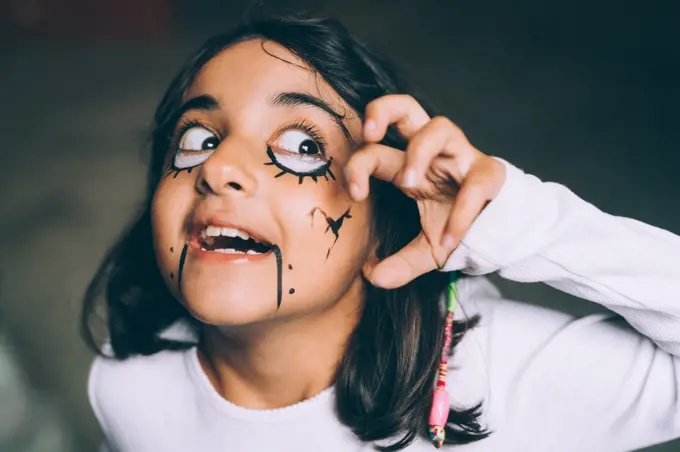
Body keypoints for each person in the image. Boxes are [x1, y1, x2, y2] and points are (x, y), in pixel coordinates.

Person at [81, 16, 680, 452]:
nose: (218, 168)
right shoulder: (126, 384)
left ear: (384, 219)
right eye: (197, 141)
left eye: (303, 146)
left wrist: (520, 222)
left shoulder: (498, 378)